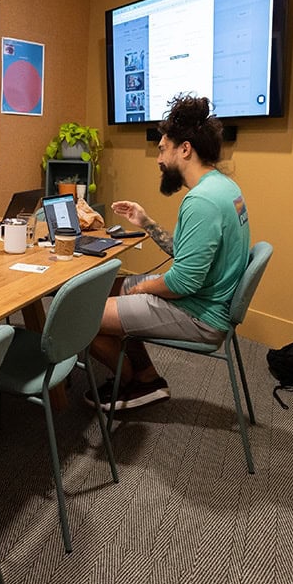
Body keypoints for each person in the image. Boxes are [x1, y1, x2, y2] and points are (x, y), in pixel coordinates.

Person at [86, 95, 250, 411]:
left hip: (200, 315)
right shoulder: (224, 188)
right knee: (111, 288)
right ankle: (146, 376)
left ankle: (132, 383)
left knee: (82, 314)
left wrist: (140, 287)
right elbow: (188, 255)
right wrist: (145, 222)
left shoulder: (201, 202)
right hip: (207, 300)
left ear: (184, 149)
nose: (159, 159)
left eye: (162, 149)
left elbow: (181, 284)